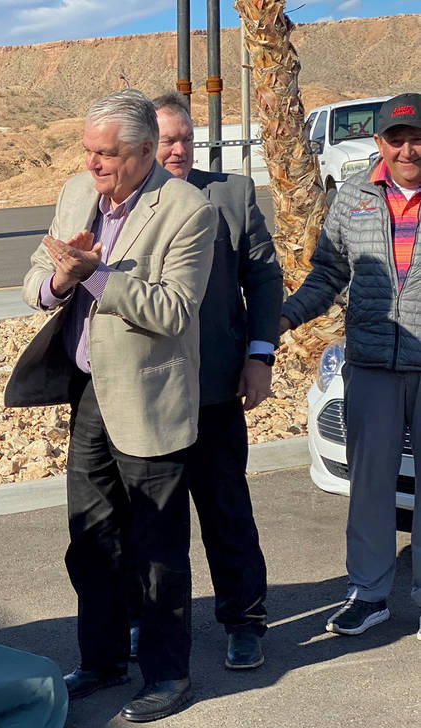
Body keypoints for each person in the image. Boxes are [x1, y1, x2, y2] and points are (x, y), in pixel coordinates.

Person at [5, 89, 216, 722]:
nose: (94, 164)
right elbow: (33, 281)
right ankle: (101, 661)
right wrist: (60, 279)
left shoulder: (187, 210)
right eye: (89, 151)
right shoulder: (77, 191)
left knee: (156, 546)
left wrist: (96, 275)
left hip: (150, 398)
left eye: (108, 154)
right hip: (89, 392)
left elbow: (175, 311)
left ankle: (167, 675)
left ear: (146, 151)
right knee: (90, 537)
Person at [131, 92, 283, 670]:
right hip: (149, 394)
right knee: (150, 519)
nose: (177, 149)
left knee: (226, 511)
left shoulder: (233, 196)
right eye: (166, 140)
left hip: (216, 389)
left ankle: (244, 621)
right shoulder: (125, 204)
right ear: (144, 144)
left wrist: (260, 355)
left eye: (185, 139)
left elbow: (265, 280)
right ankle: (151, 625)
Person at [281, 93, 421, 636]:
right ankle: (369, 594)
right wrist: (285, 318)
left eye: (417, 137)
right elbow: (326, 274)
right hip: (372, 366)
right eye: (397, 138)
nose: (408, 148)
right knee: (369, 488)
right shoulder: (355, 197)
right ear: (380, 142)